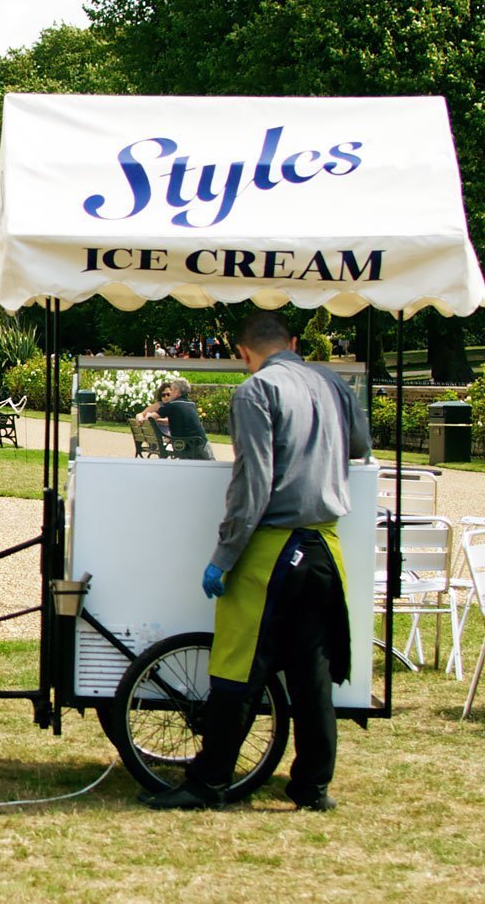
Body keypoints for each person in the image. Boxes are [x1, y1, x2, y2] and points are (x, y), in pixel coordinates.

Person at [143, 311, 370, 812]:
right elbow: (360, 447)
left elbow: (254, 482)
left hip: (272, 549)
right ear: (292, 342)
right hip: (324, 547)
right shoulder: (333, 383)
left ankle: (209, 783)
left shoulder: (256, 392)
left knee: (236, 669)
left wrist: (223, 556)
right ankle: (312, 787)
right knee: (312, 673)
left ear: (242, 353)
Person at [135, 377, 212, 460]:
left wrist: (144, 416)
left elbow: (150, 418)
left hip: (186, 447)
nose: (169, 394)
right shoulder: (191, 404)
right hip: (201, 443)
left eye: (171, 390)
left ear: (176, 391)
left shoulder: (172, 405)